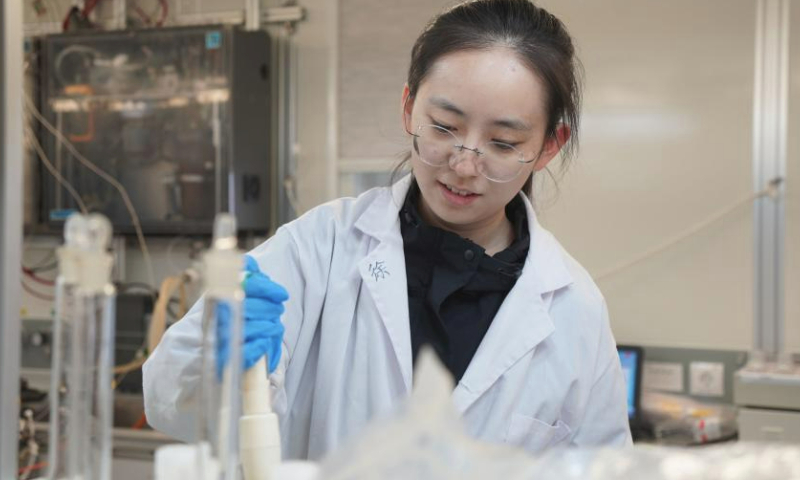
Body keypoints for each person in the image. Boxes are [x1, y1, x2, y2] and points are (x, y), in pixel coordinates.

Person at [143, 0, 632, 461]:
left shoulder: (575, 310)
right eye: (443, 127)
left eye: (503, 143)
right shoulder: (321, 247)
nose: (463, 165)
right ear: (408, 107)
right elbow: (170, 402)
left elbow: (610, 467)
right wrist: (214, 356)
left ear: (549, 145)